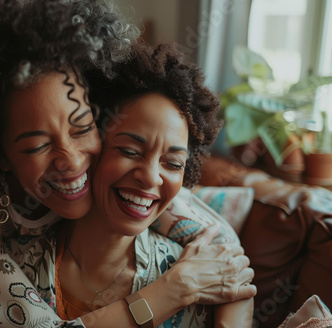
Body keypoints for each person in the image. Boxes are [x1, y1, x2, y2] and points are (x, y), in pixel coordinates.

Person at [0, 0, 256, 327]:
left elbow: (225, 251)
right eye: (37, 145)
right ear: (0, 155)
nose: (70, 162)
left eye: (83, 128)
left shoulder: (148, 188)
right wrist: (173, 290)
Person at [56, 42, 254, 327]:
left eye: (173, 164)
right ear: (90, 143)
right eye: (129, 151)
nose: (150, 177)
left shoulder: (203, 276)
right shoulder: (21, 255)